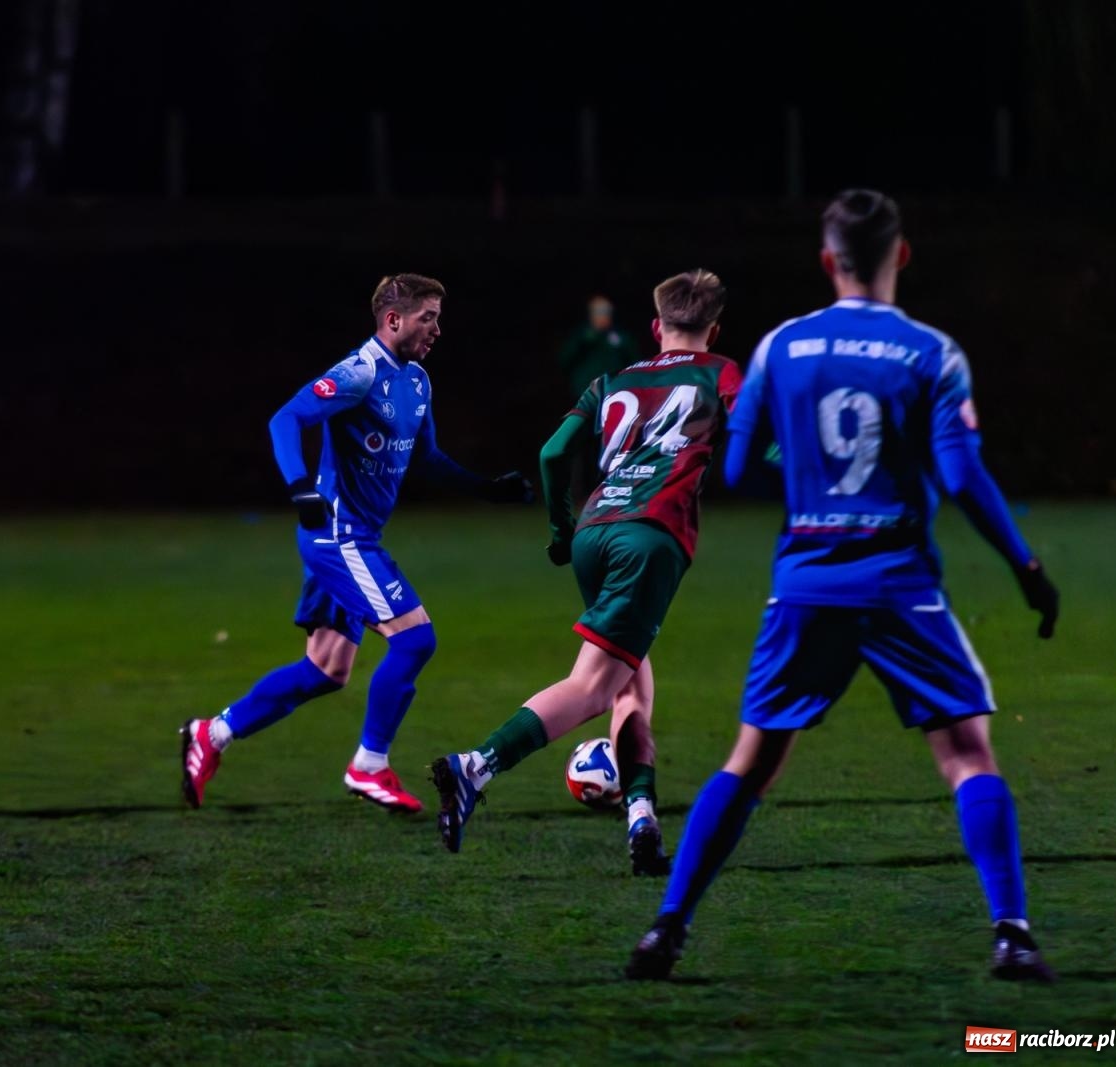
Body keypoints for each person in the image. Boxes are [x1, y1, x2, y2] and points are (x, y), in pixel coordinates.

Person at [623, 190, 1060, 982]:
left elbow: (731, 464)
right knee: (967, 753)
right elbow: (962, 476)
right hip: (900, 584)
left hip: (807, 582)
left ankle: (666, 929)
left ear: (828, 261)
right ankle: (1013, 933)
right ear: (902, 255)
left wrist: (807, 477)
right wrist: (1027, 569)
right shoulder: (935, 352)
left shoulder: (780, 348)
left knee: (751, 760)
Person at [181, 274, 534, 813]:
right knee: (416, 640)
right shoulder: (360, 370)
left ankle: (211, 734)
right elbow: (286, 418)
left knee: (325, 670)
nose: (437, 328)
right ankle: (369, 765)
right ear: (394, 320)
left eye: (439, 317)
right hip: (337, 536)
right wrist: (300, 487)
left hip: (353, 537)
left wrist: (486, 489)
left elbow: (427, 459)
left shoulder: (416, 382)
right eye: (428, 318)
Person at [432, 269, 742, 874]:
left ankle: (641, 816)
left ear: (656, 328)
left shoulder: (613, 379)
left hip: (594, 532)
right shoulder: (720, 371)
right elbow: (759, 433)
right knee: (595, 686)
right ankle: (476, 766)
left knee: (630, 682)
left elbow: (552, 453)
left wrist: (559, 529)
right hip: (649, 535)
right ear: (714, 327)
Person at [557, 294, 641, 402]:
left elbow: (635, 361)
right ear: (591, 314)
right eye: (599, 311)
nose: (603, 315)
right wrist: (583, 342)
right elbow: (564, 359)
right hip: (585, 395)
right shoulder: (581, 335)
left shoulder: (620, 336)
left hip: (614, 393)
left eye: (607, 311)